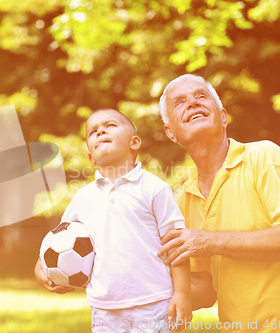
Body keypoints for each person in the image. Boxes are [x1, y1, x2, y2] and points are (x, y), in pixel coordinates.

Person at [156, 74, 280, 333]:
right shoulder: (183, 200)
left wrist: (209, 241)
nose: (193, 103)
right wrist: (112, 280)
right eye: (180, 102)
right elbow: (205, 288)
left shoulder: (263, 156)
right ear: (170, 133)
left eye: (201, 96)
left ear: (223, 116)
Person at [34, 108, 192, 332]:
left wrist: (183, 294)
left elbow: (177, 244)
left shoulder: (155, 189)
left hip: (154, 303)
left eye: (110, 126)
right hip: (105, 309)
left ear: (134, 142)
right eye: (93, 131)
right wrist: (41, 267)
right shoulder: (83, 198)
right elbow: (60, 239)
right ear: (91, 156)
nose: (100, 132)